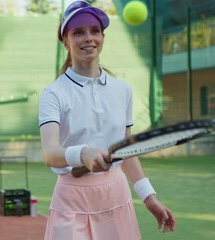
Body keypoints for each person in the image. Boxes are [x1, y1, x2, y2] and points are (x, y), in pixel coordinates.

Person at [38, 1, 176, 239]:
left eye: (94, 31)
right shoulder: (53, 94)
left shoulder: (123, 90)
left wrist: (148, 196)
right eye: (78, 32)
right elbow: (50, 154)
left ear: (102, 36)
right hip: (72, 198)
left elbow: (127, 149)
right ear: (65, 41)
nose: (88, 38)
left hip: (116, 196)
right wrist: (82, 153)